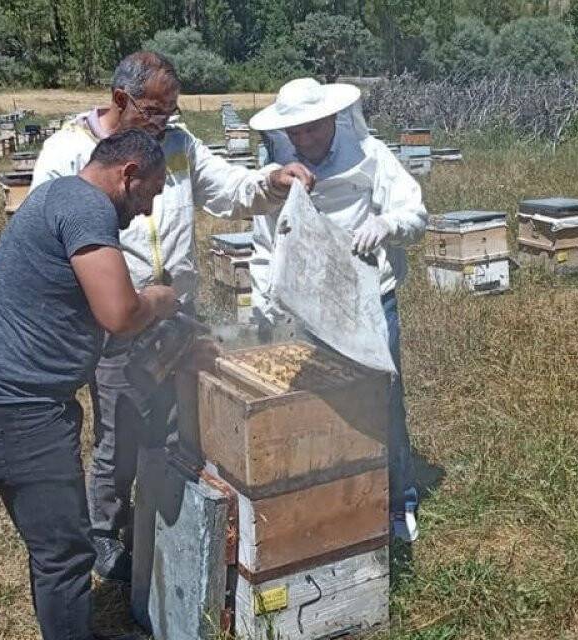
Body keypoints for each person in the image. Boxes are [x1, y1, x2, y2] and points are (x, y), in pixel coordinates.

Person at [29, 51, 314, 581]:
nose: (164, 122)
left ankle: (168, 521)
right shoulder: (68, 151)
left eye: (171, 111)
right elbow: (44, 232)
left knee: (184, 422)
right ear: (121, 100)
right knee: (120, 435)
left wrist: (272, 181)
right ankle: (105, 535)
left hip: (176, 314)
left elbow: (229, 190)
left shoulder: (180, 145)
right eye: (155, 112)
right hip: (116, 319)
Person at [0, 129, 176, 640]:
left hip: (5, 410)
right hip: (18, 417)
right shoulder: (86, 207)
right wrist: (157, 302)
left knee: (54, 547)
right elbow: (119, 314)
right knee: (66, 555)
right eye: (151, 194)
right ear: (129, 175)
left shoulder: (58, 195)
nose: (145, 211)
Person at [247, 77, 428, 541]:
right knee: (319, 409)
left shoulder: (370, 155)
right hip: (310, 310)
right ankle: (334, 503)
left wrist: (387, 223)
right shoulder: (277, 169)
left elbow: (416, 215)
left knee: (382, 400)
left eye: (310, 130)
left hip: (369, 301)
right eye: (294, 132)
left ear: (331, 119)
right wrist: (265, 302)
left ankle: (397, 502)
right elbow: (265, 244)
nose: (302, 140)